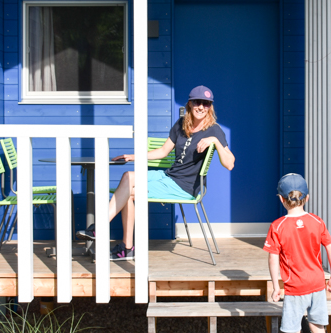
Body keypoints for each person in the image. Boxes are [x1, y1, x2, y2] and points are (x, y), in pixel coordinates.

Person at [78, 85, 235, 261]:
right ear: (190, 103)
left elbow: (229, 164)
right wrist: (133, 156)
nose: (201, 107)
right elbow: (162, 152)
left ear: (210, 107)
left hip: (184, 186)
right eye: (198, 102)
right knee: (128, 178)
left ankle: (106, 232)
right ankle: (124, 246)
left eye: (206, 104)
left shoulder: (214, 130)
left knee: (128, 187)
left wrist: (214, 140)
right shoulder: (181, 124)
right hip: (169, 177)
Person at [264, 173, 331, 333]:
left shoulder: (277, 226)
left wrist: (276, 286)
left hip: (294, 288)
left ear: (281, 199)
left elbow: (272, 258)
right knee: (318, 329)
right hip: (316, 284)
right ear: (307, 198)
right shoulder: (317, 221)